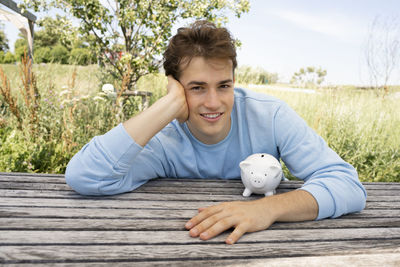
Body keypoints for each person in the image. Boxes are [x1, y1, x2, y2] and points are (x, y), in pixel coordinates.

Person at [65, 20, 367, 245]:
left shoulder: (270, 115)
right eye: (196, 88)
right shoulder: (161, 136)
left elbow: (348, 186)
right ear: (175, 87)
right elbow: (85, 177)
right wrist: (167, 105)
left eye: (224, 85)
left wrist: (269, 209)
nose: (213, 103)